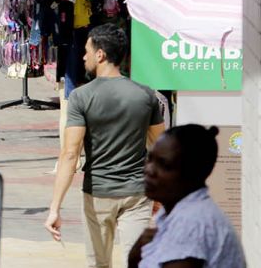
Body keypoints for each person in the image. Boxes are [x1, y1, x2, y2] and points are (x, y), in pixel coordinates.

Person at [45, 24, 166, 268]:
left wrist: (55, 208)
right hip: (136, 194)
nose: (83, 56)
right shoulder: (145, 95)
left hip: (98, 193)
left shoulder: (81, 96)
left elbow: (70, 154)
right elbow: (160, 147)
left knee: (99, 264)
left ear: (100, 55)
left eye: (87, 51)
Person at [127, 125, 245, 268]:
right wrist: (136, 253)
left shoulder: (192, 223)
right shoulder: (177, 211)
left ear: (192, 174)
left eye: (164, 165)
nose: (149, 170)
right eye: (149, 159)